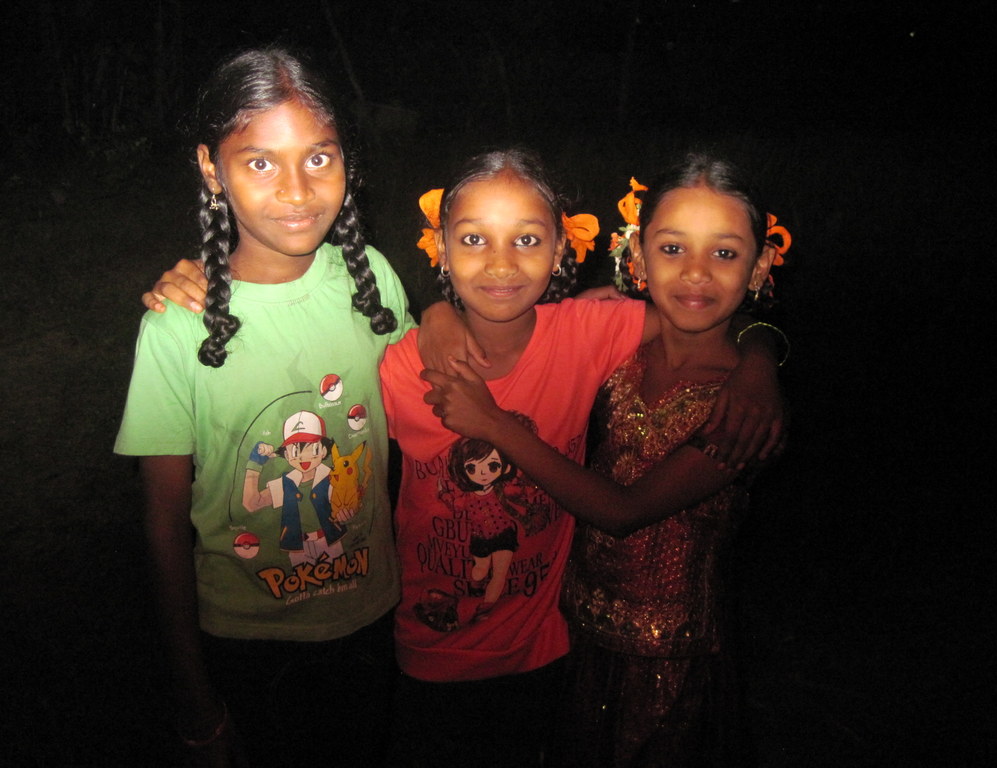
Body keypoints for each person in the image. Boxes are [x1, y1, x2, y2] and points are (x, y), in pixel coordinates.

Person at [142, 148, 785, 766]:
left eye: (527, 239)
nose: (501, 264)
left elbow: (701, 319)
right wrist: (434, 314)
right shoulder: (400, 366)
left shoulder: (590, 332)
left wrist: (762, 355)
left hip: (549, 646)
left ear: (563, 249)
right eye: (474, 239)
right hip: (424, 648)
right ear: (440, 250)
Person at [422, 153, 792, 767]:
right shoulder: (621, 344)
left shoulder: (740, 407)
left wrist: (492, 424)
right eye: (672, 249)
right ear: (637, 257)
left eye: (724, 253)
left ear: (759, 267)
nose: (695, 273)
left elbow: (623, 512)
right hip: (572, 629)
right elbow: (514, 317)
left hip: (672, 656)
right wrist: (435, 311)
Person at [114, 48, 414, 766]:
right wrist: (194, 698)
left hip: (372, 616)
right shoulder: (177, 328)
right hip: (245, 639)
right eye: (259, 162)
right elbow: (162, 524)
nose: (298, 190)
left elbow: (429, 404)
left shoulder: (372, 279)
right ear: (210, 169)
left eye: (319, 158)